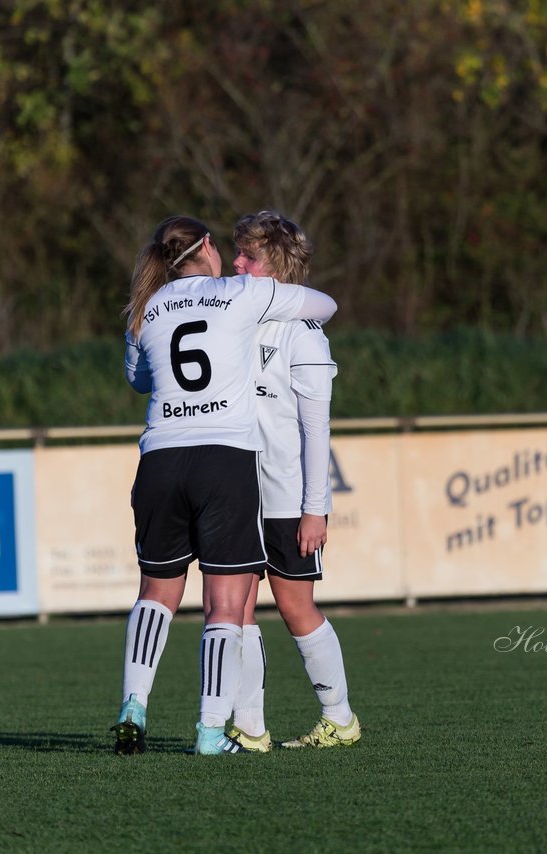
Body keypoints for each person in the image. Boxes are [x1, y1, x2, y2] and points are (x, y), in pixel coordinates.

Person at [113, 214, 337, 756]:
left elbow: (138, 377)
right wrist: (267, 292)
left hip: (160, 457)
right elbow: (323, 304)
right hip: (224, 460)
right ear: (208, 248)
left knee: (156, 593)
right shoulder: (240, 293)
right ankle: (212, 731)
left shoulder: (146, 309)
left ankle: (133, 705)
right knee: (226, 604)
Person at [226, 210, 360, 751]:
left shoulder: (304, 335)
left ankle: (340, 719)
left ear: (275, 268)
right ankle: (250, 728)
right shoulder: (234, 318)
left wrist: (315, 507)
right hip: (235, 493)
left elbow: (315, 429)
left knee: (294, 607)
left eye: (248, 256)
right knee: (233, 608)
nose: (237, 263)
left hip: (284, 498)